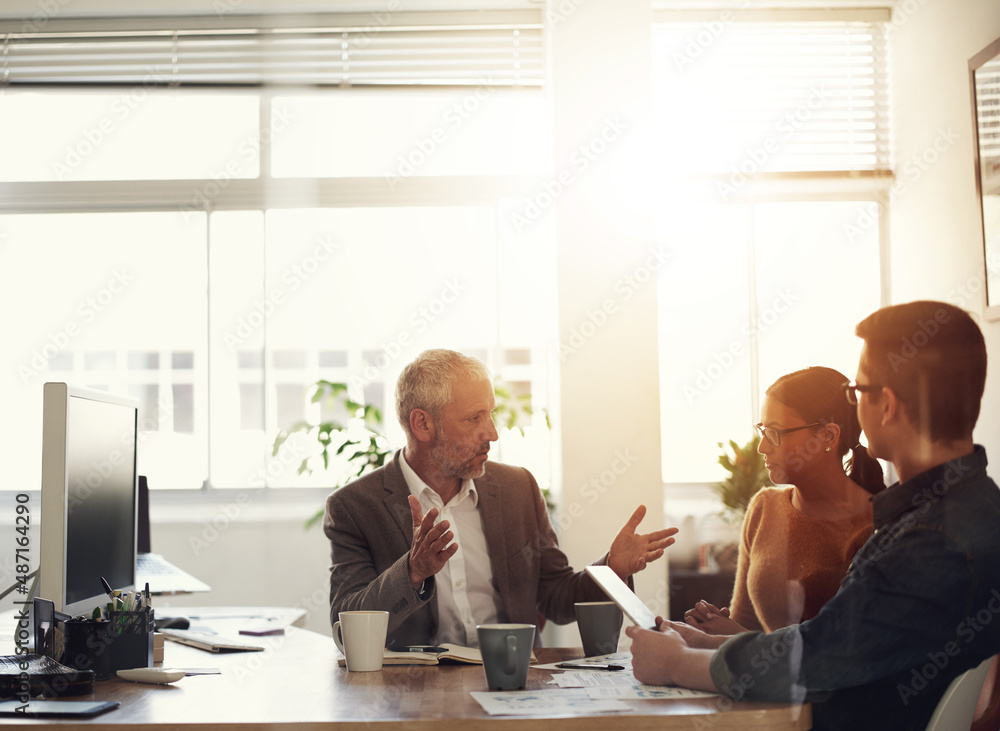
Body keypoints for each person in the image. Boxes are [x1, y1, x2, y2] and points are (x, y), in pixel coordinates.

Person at [627, 301, 1000, 731]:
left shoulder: (933, 539)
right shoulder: (961, 510)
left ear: (888, 406)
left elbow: (817, 657)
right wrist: (705, 643)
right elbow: (830, 641)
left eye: (857, 393)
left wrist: (677, 664)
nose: (854, 406)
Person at [324, 348, 677, 649]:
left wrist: (612, 569)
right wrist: (413, 572)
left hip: (511, 681)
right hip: (413, 696)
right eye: (474, 418)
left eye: (490, 414)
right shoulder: (354, 508)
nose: (492, 433)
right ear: (422, 425)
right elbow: (347, 631)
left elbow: (555, 599)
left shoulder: (517, 488)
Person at [685, 366, 884, 635]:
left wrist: (735, 640)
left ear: (828, 436)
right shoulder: (764, 507)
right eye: (763, 431)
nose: (762, 447)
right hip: (763, 675)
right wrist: (718, 628)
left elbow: (842, 652)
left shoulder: (875, 527)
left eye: (775, 433)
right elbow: (746, 624)